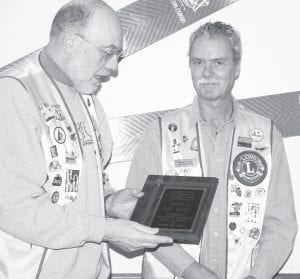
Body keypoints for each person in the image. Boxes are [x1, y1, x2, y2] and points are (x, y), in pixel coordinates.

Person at [0, 1, 173, 278]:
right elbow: (17, 207)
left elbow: (77, 186)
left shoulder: (88, 98)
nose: (114, 66)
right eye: (108, 53)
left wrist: (109, 202)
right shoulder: (14, 94)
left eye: (118, 55)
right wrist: (105, 229)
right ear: (70, 41)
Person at [126, 21, 298, 279]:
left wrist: (257, 276)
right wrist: (192, 271)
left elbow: (280, 223)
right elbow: (141, 219)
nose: (207, 73)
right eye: (198, 63)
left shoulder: (266, 135)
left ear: (236, 68)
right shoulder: (160, 133)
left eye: (218, 62)